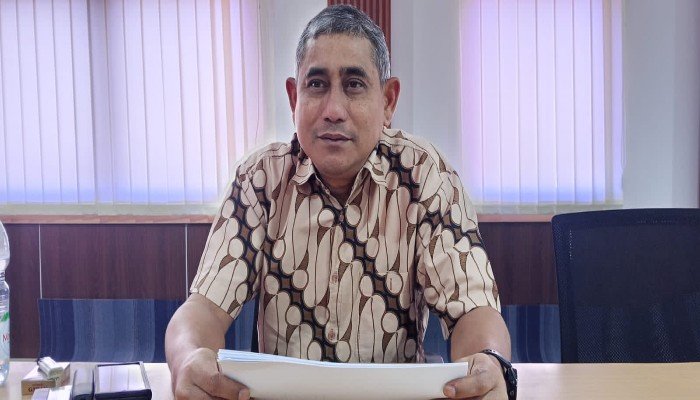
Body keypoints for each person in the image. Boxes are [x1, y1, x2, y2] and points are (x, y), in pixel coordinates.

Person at [165, 4, 513, 400]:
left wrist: (488, 361)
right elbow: (202, 310)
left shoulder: (424, 176)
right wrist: (188, 357)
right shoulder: (260, 180)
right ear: (294, 97)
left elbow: (474, 310)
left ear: (388, 101)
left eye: (354, 85)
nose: (333, 111)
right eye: (316, 84)